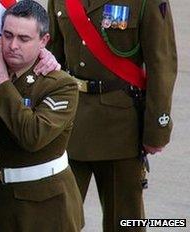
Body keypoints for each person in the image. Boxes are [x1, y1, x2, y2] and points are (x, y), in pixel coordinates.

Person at [47, 0, 177, 230]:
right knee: (57, 219)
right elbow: (52, 56)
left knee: (125, 222)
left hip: (120, 129)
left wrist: (157, 129)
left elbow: (161, 64)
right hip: (69, 124)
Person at [0, 0, 83, 230]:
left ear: (44, 41)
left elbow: (33, 136)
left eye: (24, 39)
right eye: (8, 35)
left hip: (44, 207)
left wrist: (3, 84)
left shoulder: (60, 85)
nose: (12, 45)